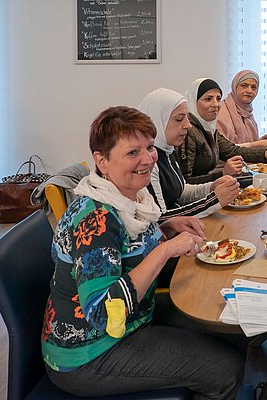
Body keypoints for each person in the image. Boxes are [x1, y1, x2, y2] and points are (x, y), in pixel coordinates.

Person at [41, 106, 244, 399]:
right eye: (133, 152)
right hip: (90, 352)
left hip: (134, 319)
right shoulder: (94, 219)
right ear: (103, 161)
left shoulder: (130, 199)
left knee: (228, 325)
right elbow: (101, 313)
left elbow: (129, 241)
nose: (148, 159)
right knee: (223, 370)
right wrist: (164, 252)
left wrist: (166, 224)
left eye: (149, 147)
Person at [139, 88, 240, 220]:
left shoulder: (168, 149)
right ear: (157, 120)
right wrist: (213, 200)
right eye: (179, 119)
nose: (188, 125)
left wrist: (211, 187)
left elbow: (179, 192)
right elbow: (160, 220)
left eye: (187, 117)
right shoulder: (148, 161)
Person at [178, 78, 267, 184]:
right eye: (208, 99)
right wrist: (223, 173)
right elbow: (184, 183)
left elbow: (232, 150)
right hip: (200, 196)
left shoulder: (208, 128)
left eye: (218, 99)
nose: (216, 104)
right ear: (193, 102)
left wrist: (264, 154)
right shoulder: (187, 132)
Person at [217, 70, 267, 148]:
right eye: (244, 85)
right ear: (235, 87)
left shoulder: (247, 111)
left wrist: (262, 139)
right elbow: (224, 149)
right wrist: (256, 144)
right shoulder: (220, 110)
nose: (249, 91)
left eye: (254, 87)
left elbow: (246, 143)